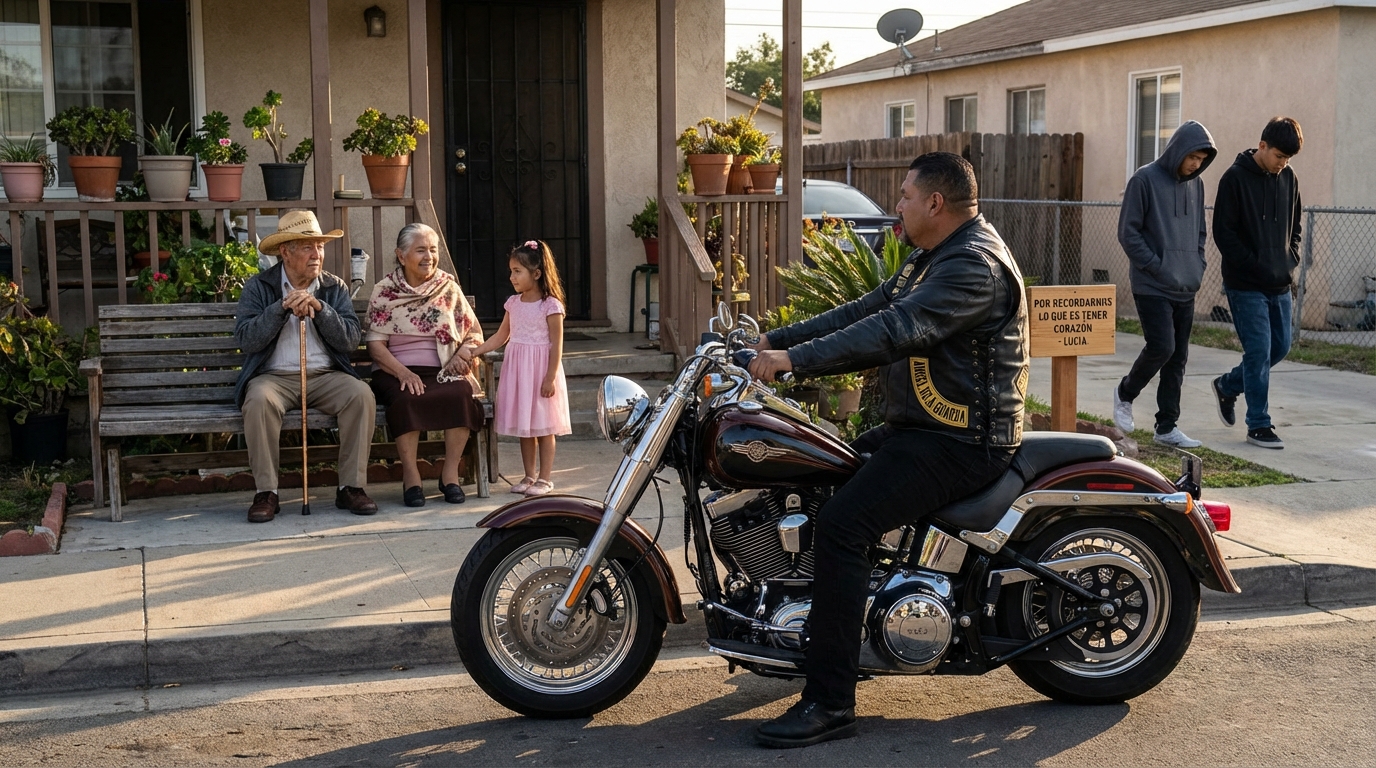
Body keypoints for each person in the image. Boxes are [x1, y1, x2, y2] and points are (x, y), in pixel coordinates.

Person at [746, 152, 1028, 748]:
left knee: (846, 524)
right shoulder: (933, 260)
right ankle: (839, 636)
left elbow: (894, 331)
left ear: (934, 203)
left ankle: (830, 702)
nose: (896, 205)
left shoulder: (972, 267)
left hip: (962, 441)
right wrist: (773, 338)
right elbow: (867, 309)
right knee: (818, 474)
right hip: (921, 429)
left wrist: (792, 363)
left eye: (903, 195)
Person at [234, 210, 378, 523]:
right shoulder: (260, 287)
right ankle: (267, 492)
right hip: (274, 378)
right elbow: (246, 339)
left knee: (360, 395)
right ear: (285, 251)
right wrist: (281, 308)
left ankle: (350, 487)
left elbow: (351, 340)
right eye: (307, 247)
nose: (317, 254)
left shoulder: (333, 287)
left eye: (320, 247)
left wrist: (320, 309)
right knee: (258, 401)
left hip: (326, 376)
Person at [1112, 120, 1217, 448]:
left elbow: (1200, 230)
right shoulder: (1144, 179)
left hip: (1185, 284)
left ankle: (1167, 426)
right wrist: (1157, 266)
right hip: (1151, 285)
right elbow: (1128, 232)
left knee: (1178, 357)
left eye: (1201, 160)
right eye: (1192, 157)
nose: (1195, 164)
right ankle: (1125, 392)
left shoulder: (1196, 185)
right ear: (1178, 150)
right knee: (1162, 346)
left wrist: (1197, 265)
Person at [366, 223, 486, 506]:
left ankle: (450, 475)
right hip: (395, 370)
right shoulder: (385, 291)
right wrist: (402, 372)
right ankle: (412, 477)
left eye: (433, 250)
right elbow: (375, 345)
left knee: (460, 394)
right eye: (420, 250)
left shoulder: (448, 288)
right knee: (407, 398)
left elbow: (474, 334)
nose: (429, 256)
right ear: (401, 255)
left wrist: (461, 355)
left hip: (442, 369)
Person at [1210, 117, 1304, 449]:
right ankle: (1259, 424)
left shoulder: (1289, 178)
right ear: (1262, 146)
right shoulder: (1234, 179)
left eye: (1289, 159)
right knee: (1259, 350)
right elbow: (1224, 233)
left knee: (1280, 347)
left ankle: (1227, 385)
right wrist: (1254, 265)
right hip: (1245, 283)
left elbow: (1296, 226)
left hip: (1279, 282)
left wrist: (1288, 258)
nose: (1284, 164)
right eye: (1279, 156)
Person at [461, 240, 571, 495]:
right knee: (526, 426)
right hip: (519, 370)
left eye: (517, 271)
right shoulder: (513, 303)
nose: (512, 277)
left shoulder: (551, 305)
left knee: (544, 427)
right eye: (511, 271)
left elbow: (557, 345)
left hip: (541, 370)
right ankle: (529, 476)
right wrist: (475, 350)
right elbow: (501, 336)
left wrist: (550, 377)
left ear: (536, 273)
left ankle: (545, 478)